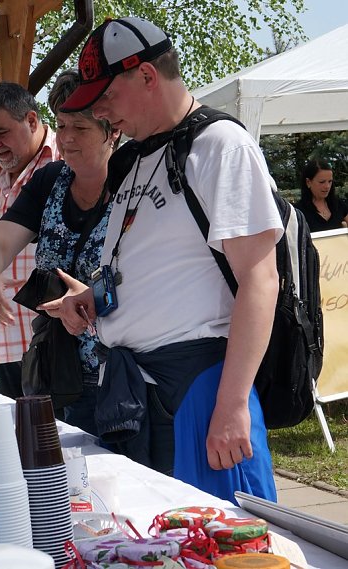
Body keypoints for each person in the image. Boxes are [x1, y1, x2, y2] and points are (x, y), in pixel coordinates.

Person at [55, 17, 282, 503]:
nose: (101, 110)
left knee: (224, 544)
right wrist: (93, 299)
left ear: (146, 77)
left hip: (200, 392)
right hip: (139, 395)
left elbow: (261, 280)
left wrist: (232, 405)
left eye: (106, 95)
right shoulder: (136, 158)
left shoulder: (220, 146)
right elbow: (158, 265)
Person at [0, 70, 119, 434]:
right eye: (62, 125)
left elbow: (156, 273)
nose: (65, 138)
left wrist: (92, 298)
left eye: (79, 128)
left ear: (111, 129)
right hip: (60, 375)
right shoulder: (50, 180)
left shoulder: (137, 180)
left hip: (123, 374)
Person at [0, 82, 62, 399]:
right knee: (18, 445)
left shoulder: (66, 165)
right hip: (1, 350)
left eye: (2, 132)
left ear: (32, 121)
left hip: (53, 349)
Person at [294, 159, 348, 232]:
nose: (327, 186)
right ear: (308, 182)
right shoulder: (298, 212)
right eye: (322, 182)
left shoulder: (339, 205)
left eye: (330, 181)